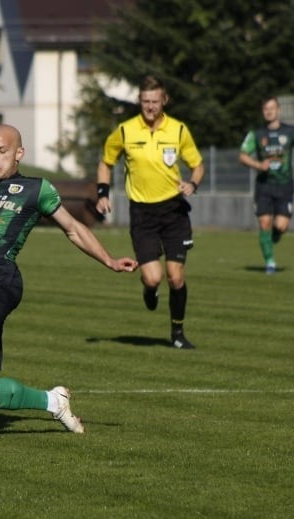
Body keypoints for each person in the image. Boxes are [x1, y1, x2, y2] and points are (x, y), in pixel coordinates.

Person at [0, 124, 137, 433]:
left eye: (2, 152)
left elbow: (73, 228)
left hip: (0, 273)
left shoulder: (36, 188)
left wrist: (109, 259)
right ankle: (52, 401)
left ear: (20, 153)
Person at [95, 75, 204, 349]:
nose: (150, 107)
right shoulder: (125, 131)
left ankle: (177, 334)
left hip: (174, 211)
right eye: (145, 102)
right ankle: (149, 289)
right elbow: (106, 162)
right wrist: (102, 193)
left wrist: (193, 183)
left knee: (176, 276)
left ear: (164, 100)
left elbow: (198, 165)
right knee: (153, 277)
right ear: (139, 101)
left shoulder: (178, 130)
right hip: (142, 214)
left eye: (155, 101)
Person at [238, 96, 294, 274]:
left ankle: (274, 236)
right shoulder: (256, 133)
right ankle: (270, 262)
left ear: (278, 110)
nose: (269, 111)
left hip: (284, 185)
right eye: (265, 109)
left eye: (272, 108)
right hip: (264, 186)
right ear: (263, 112)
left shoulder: (290, 131)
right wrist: (258, 165)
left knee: (281, 226)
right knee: (265, 222)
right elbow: (243, 155)